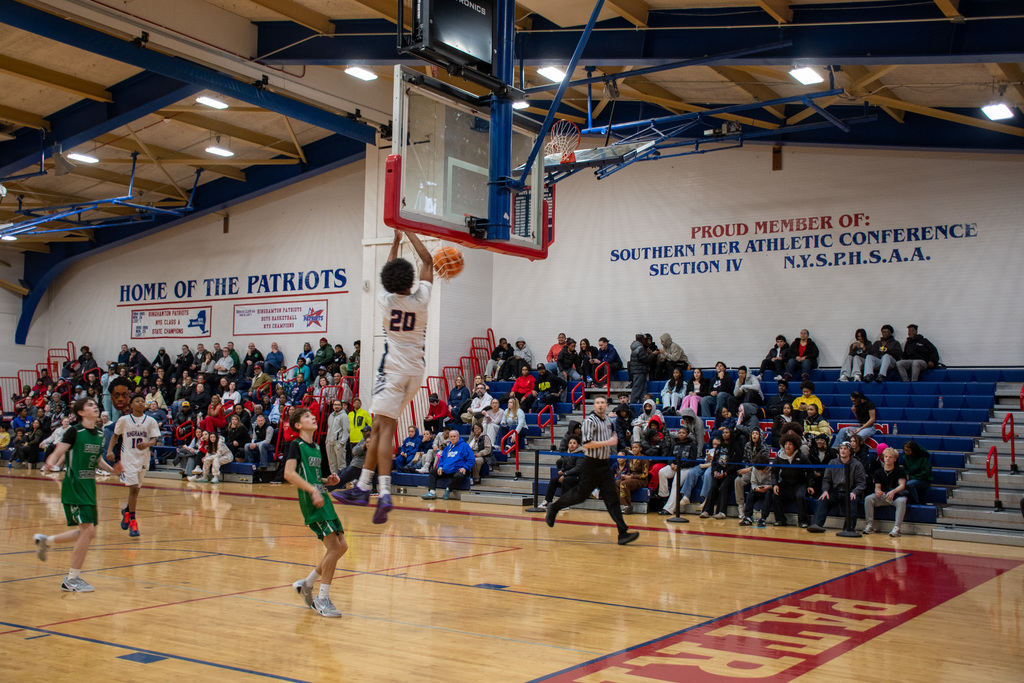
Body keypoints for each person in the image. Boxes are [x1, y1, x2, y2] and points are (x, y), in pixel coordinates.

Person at [332, 230, 432, 525]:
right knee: (377, 428)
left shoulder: (385, 300)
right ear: (411, 281)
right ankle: (363, 487)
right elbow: (427, 259)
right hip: (416, 371)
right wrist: (410, 234)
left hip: (393, 371)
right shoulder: (422, 299)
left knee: (384, 430)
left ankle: (383, 491)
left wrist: (395, 240)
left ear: (388, 281)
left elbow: (385, 276)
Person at [34, 398, 122, 592]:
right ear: (81, 412)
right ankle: (71, 579)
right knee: (87, 531)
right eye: (90, 405)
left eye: (95, 404)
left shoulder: (99, 434)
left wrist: (112, 470)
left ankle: (46, 541)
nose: (95, 407)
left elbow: (97, 459)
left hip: (90, 487)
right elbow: (59, 451)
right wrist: (49, 463)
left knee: (88, 532)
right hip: (74, 486)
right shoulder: (74, 431)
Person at [280, 407, 347, 618]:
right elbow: (289, 474)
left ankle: (306, 584)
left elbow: (314, 477)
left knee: (342, 546)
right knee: (334, 548)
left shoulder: (316, 447)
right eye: (307, 416)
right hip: (312, 501)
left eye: (312, 415)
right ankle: (322, 598)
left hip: (323, 498)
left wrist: (329, 481)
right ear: (298, 425)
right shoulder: (295, 445)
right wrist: (312, 490)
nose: (313, 417)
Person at [545, 396, 640, 545]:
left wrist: (614, 437)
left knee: (612, 499)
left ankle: (622, 533)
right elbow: (587, 444)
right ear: (594, 406)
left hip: (604, 465)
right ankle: (554, 507)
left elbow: (611, 435)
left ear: (607, 405)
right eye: (597, 403)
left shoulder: (608, 421)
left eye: (603, 402)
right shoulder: (589, 421)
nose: (600, 405)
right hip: (591, 464)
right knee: (580, 495)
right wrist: (608, 441)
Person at [109, 391, 161, 538]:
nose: (140, 403)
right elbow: (115, 436)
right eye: (137, 401)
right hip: (128, 459)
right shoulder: (124, 420)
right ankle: (133, 521)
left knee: (136, 491)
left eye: (142, 401)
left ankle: (127, 510)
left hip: (143, 459)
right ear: (131, 404)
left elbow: (153, 440)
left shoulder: (150, 421)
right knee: (132, 489)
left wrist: (147, 444)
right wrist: (109, 450)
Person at [808, 441, 867, 532]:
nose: (842, 451)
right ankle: (817, 524)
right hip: (835, 491)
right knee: (823, 499)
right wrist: (825, 490)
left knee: (853, 501)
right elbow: (826, 479)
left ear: (850, 451)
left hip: (850, 491)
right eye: (841, 449)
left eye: (845, 449)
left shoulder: (857, 464)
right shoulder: (832, 462)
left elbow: (862, 483)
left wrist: (855, 492)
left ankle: (849, 528)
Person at [863, 447, 908, 537]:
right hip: (884, 496)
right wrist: (877, 491)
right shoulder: (878, 472)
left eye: (890, 457)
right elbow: (877, 487)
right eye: (886, 456)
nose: (887, 459)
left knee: (902, 501)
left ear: (895, 459)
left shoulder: (900, 470)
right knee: (868, 499)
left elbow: (902, 485)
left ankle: (897, 528)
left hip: (896, 496)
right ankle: (869, 525)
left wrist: (893, 492)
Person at [700, 426, 743, 519]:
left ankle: (721, 512)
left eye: (727, 432)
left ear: (731, 434)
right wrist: (715, 471)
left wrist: (725, 473)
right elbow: (714, 461)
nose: (725, 434)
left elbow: (736, 464)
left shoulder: (736, 447)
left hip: (730, 473)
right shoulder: (719, 447)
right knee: (713, 486)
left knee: (724, 486)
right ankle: (707, 511)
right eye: (723, 433)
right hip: (718, 472)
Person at [772, 434, 814, 527]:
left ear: (795, 445)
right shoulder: (779, 457)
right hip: (786, 483)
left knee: (800, 496)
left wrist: (810, 485)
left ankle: (803, 521)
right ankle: (780, 520)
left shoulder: (801, 456)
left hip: (800, 483)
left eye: (790, 444)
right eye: (786, 444)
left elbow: (810, 470)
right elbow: (774, 472)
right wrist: (775, 484)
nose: (788, 446)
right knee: (776, 495)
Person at [421, 428, 476, 500]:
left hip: (459, 469)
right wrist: (440, 467)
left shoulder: (465, 446)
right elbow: (442, 459)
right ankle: (432, 492)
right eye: (451, 437)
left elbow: (471, 459)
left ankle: (448, 489)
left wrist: (465, 467)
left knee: (459, 475)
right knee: (433, 472)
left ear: (458, 437)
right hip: (447, 470)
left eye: (454, 436)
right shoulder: (447, 448)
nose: (453, 438)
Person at [541, 437, 584, 508]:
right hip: (568, 475)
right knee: (554, 480)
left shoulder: (581, 454)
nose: (572, 445)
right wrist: (562, 470)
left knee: (565, 480)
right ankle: (547, 501)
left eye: (574, 443)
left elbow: (578, 468)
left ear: (578, 445)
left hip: (578, 478)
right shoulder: (568, 454)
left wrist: (565, 474)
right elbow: (565, 466)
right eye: (570, 443)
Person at [739, 454, 774, 527]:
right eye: (760, 470)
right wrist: (756, 488)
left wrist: (769, 487)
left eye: (764, 469)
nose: (762, 472)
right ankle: (748, 517)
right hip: (759, 488)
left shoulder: (773, 468)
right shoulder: (755, 468)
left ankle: (763, 518)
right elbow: (753, 483)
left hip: (769, 489)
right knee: (750, 494)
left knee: (768, 495)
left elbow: (777, 482)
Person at [617, 442, 650, 514]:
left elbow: (645, 474)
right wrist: (625, 476)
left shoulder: (644, 458)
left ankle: (627, 506)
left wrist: (630, 477)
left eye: (636, 447)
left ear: (640, 449)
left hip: (641, 480)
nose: (634, 449)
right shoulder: (631, 458)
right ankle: (619, 503)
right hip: (632, 478)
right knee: (616, 483)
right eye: (633, 448)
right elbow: (629, 471)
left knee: (623, 484)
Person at [901, 440, 933, 504]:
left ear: (913, 450)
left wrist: (911, 477)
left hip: (923, 480)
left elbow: (925, 473)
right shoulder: (905, 457)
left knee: (909, 484)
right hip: (911, 478)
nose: (905, 452)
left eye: (908, 450)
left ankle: (917, 502)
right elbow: (905, 468)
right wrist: (906, 474)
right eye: (905, 450)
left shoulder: (923, 458)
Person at [324, 400, 349, 475]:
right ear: (333, 406)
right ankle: (334, 482)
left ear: (341, 406)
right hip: (329, 443)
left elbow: (346, 430)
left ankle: (342, 482)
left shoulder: (344, 416)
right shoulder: (331, 415)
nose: (336, 406)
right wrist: (327, 441)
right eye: (335, 405)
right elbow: (329, 429)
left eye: (338, 405)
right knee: (332, 463)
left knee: (341, 464)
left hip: (338, 443)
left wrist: (342, 442)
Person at [627, 334, 649, 404]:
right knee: (637, 388)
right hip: (640, 371)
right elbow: (644, 359)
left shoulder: (635, 347)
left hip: (637, 371)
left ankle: (643, 403)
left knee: (643, 389)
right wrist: (652, 355)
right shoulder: (640, 348)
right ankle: (632, 404)